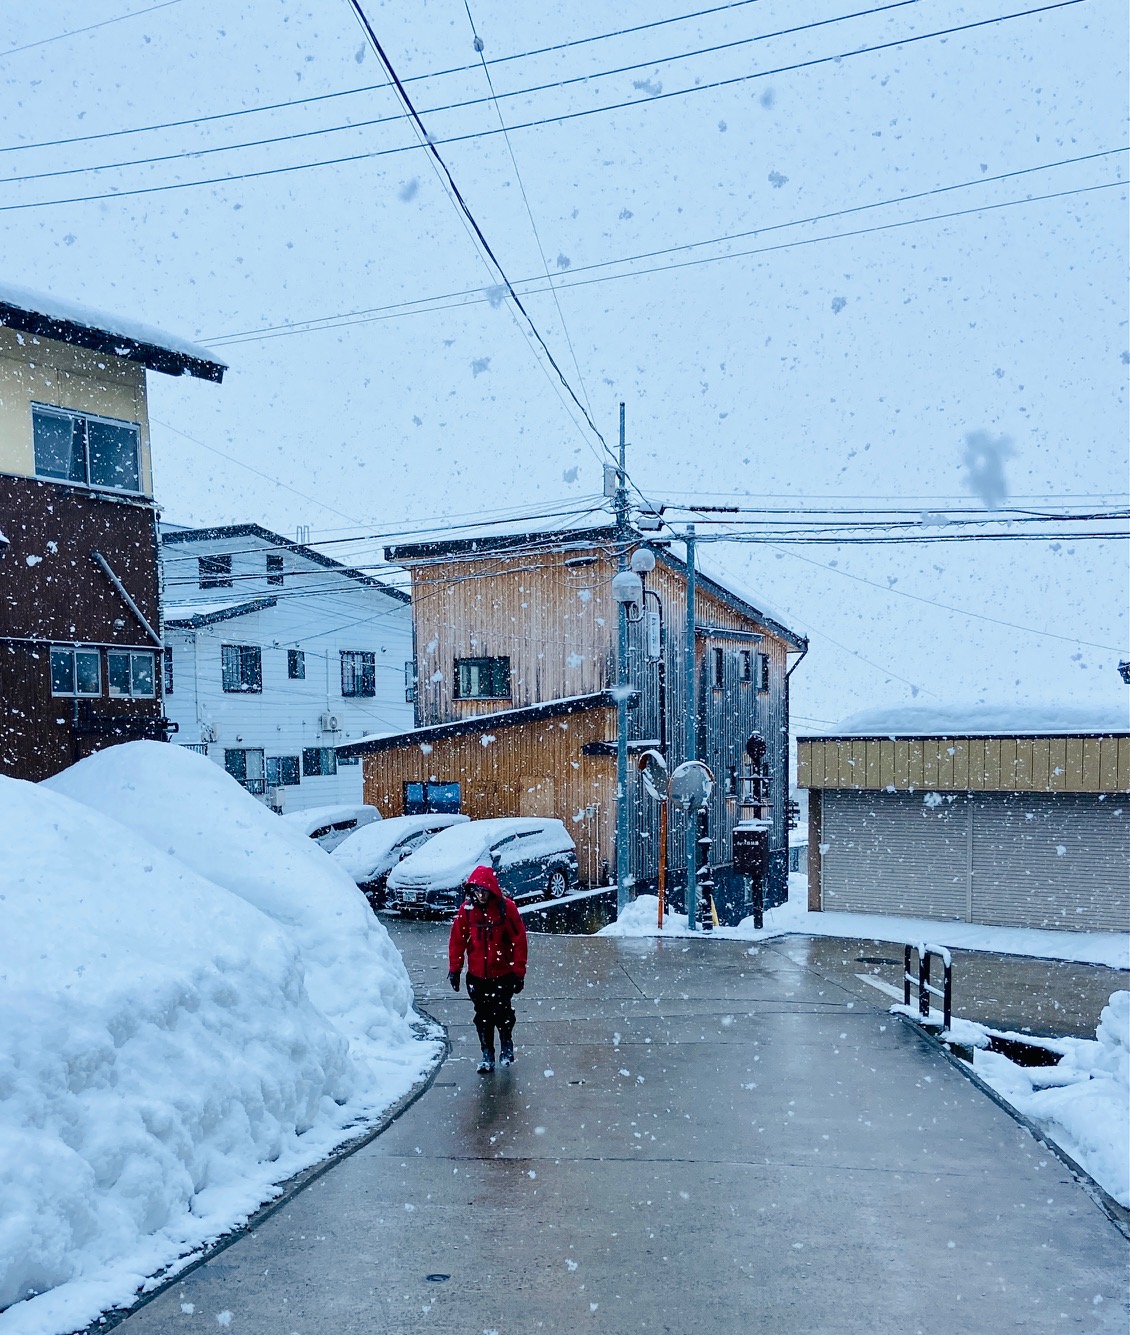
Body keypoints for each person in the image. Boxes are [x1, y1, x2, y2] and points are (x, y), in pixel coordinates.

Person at [447, 864, 528, 1073]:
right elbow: (457, 940)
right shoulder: (466, 911)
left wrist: (519, 972)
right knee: (482, 1016)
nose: (481, 896)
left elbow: (519, 941)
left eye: (484, 891)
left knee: (502, 1013)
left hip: (502, 975)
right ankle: (487, 1053)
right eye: (477, 891)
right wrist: (455, 969)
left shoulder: (506, 909)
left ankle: (506, 1045)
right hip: (476, 976)